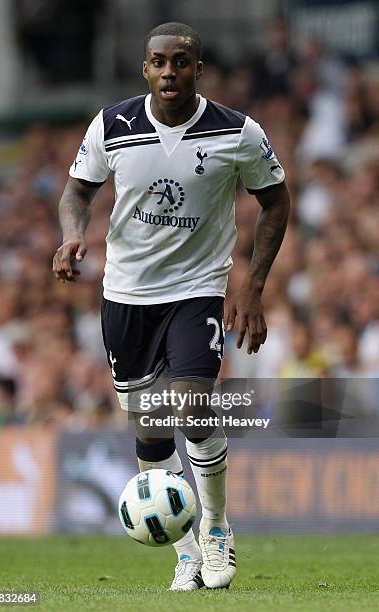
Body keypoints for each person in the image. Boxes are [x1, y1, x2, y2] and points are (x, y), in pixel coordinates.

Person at [53, 22, 290, 591]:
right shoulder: (113, 124)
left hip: (198, 289)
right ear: (144, 69)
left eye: (181, 63)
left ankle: (216, 531)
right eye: (159, 62)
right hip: (127, 294)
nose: (169, 73)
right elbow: (77, 191)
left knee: (193, 406)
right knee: (152, 431)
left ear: (198, 70)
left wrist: (252, 287)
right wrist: (70, 234)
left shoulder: (237, 132)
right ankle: (183, 550)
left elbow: (276, 201)